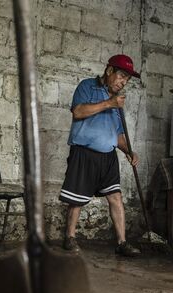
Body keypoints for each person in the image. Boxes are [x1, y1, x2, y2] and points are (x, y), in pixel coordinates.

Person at [59, 54, 142, 257]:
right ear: (109, 71)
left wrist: (129, 151)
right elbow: (78, 112)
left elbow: (119, 134)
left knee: (115, 197)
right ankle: (69, 237)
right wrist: (108, 103)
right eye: (121, 76)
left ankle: (122, 242)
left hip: (108, 156)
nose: (123, 82)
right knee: (77, 199)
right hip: (84, 153)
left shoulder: (118, 103)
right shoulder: (87, 86)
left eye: (127, 80)